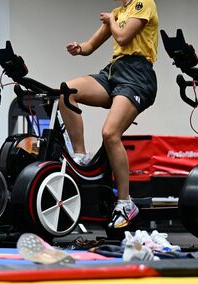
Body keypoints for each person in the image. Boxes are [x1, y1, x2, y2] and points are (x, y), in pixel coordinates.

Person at [60, 0, 159, 228]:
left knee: (110, 133)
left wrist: (111, 21)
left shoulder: (143, 4)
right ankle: (81, 156)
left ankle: (125, 203)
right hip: (114, 72)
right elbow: (90, 46)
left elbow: (123, 37)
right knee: (67, 92)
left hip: (138, 75)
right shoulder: (117, 12)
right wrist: (78, 48)